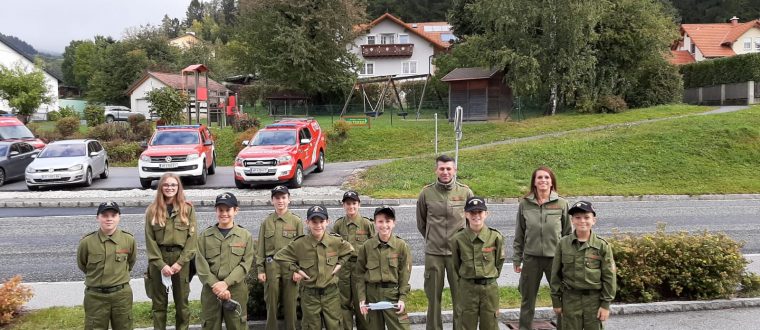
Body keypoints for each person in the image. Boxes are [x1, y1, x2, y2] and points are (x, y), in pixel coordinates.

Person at [416, 154, 473, 330]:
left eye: (449, 168)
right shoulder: (426, 193)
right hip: (434, 254)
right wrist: (433, 237)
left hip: (458, 254)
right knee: (433, 299)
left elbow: (472, 222)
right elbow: (422, 223)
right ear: (436, 170)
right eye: (442, 168)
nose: (445, 172)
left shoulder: (465, 192)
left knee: (460, 298)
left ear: (455, 170)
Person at [275, 205, 354, 330]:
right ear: (307, 223)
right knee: (311, 327)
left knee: (335, 326)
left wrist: (339, 265)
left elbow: (349, 250)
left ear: (327, 222)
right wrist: (297, 270)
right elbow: (280, 256)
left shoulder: (335, 241)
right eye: (314, 222)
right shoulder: (299, 244)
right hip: (310, 296)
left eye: (321, 221)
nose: (318, 225)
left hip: (331, 294)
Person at [513, 166, 571, 330]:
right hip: (531, 259)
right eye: (539, 178)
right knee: (527, 300)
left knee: (560, 298)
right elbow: (519, 234)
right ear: (534, 182)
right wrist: (517, 258)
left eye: (546, 177)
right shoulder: (525, 204)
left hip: (555, 259)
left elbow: (568, 234)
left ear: (552, 182)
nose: (543, 180)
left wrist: (567, 259)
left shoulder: (561, 203)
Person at [550, 201, 617, 330]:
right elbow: (555, 275)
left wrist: (605, 304)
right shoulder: (563, 244)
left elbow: (609, 277)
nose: (582, 221)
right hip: (570, 300)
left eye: (587, 217)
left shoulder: (602, 246)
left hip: (594, 302)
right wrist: (556, 301)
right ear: (572, 220)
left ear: (594, 220)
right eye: (578, 218)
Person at [144, 173, 198, 330]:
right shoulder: (152, 210)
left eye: (173, 185)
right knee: (159, 305)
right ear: (161, 187)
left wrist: (180, 263)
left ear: (178, 188)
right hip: (158, 259)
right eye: (166, 185)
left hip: (180, 260)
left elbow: (192, 239)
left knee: (182, 304)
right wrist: (161, 265)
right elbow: (149, 239)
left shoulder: (187, 209)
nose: (170, 188)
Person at [195, 192, 255, 330]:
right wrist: (216, 285)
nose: (224, 214)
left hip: (236, 290)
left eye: (228, 210)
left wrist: (225, 284)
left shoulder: (245, 236)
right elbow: (201, 265)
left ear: (236, 210)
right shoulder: (205, 236)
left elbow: (245, 264)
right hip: (211, 290)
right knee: (210, 325)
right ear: (216, 210)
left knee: (237, 325)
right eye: (220, 210)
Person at [77, 201, 136, 330]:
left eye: (113, 215)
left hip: (121, 295)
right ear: (98, 217)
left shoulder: (128, 240)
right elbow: (82, 265)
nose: (109, 219)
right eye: (105, 215)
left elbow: (130, 262)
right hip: (95, 297)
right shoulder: (87, 242)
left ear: (119, 217)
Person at [449, 197, 505, 330]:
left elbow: (498, 263)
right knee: (466, 324)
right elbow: (456, 265)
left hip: (489, 289)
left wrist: (489, 275)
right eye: (472, 212)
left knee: (490, 324)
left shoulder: (495, 237)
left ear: (486, 214)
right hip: (467, 288)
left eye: (480, 212)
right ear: (465, 214)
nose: (476, 216)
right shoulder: (458, 239)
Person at [357, 205, 412, 330]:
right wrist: (362, 298)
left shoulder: (401, 246)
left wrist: (402, 298)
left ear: (394, 223)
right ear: (375, 223)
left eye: (388, 221)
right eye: (380, 221)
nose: (384, 225)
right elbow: (359, 274)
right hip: (372, 295)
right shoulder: (367, 246)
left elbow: (404, 275)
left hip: (393, 295)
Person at [256, 185, 303, 330]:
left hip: (290, 267)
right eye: (277, 198)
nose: (280, 201)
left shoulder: (296, 221)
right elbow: (261, 248)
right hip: (271, 265)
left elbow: (301, 249)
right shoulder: (267, 222)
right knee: (271, 303)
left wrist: (299, 270)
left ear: (289, 200)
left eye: (283, 197)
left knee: (291, 303)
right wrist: (260, 269)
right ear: (272, 201)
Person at [332, 190, 375, 330]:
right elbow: (333, 247)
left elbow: (374, 248)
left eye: (354, 203)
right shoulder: (339, 225)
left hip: (360, 268)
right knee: (343, 303)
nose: (351, 206)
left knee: (361, 302)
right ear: (343, 205)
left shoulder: (367, 224)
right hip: (343, 268)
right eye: (348, 203)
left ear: (359, 204)